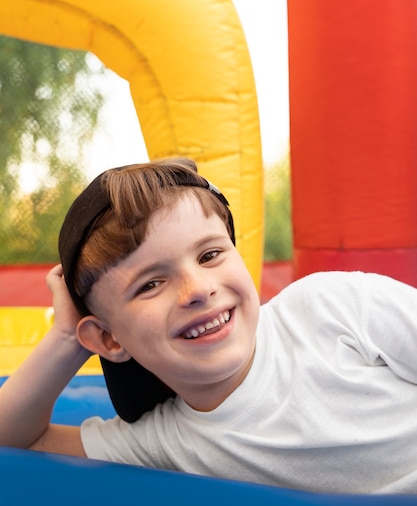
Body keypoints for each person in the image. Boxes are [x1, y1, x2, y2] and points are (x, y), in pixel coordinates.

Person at [1, 157, 417, 495]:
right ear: (108, 338)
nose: (197, 290)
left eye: (210, 255)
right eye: (151, 284)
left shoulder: (331, 308)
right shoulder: (163, 441)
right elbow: (14, 443)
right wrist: (65, 337)